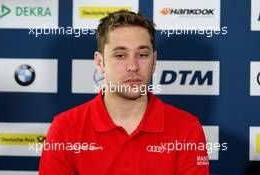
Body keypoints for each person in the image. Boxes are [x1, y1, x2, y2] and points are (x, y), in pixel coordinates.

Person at [39, 10, 210, 175]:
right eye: (120, 55)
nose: (133, 66)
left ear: (154, 61)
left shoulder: (187, 128)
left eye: (142, 55)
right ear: (100, 63)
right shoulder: (65, 128)